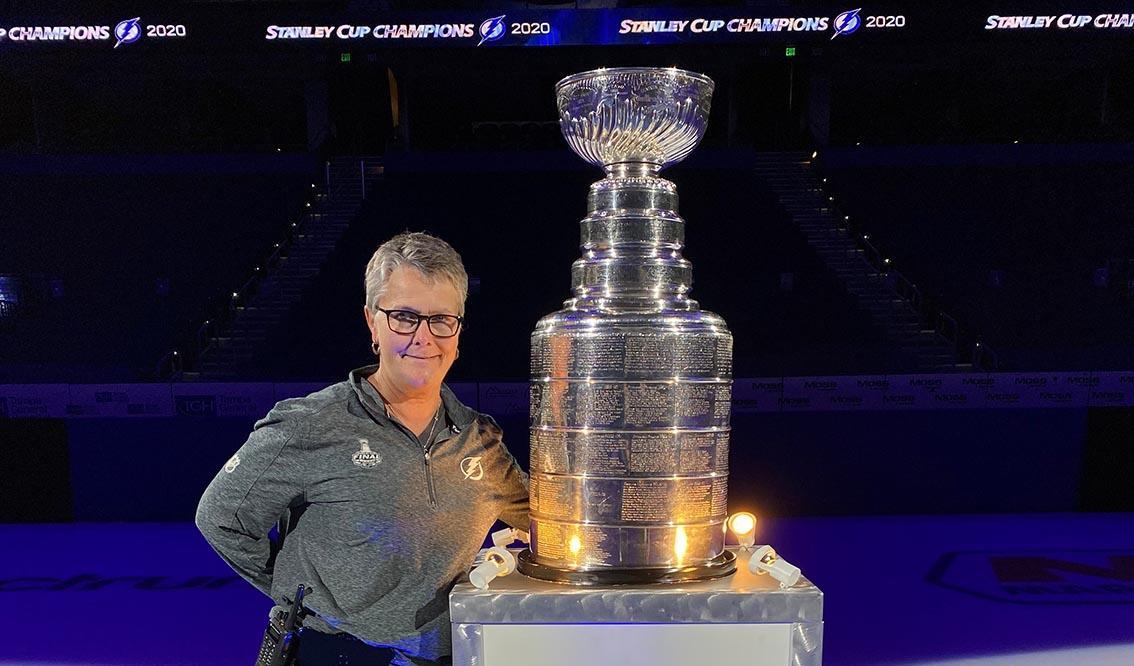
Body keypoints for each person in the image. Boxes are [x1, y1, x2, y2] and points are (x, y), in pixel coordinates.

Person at [196, 231, 530, 665]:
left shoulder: (479, 440)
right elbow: (221, 518)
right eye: (404, 317)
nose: (424, 337)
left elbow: (550, 518)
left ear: (458, 332)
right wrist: (302, 597)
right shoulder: (312, 423)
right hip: (334, 655)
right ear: (372, 322)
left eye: (441, 320)